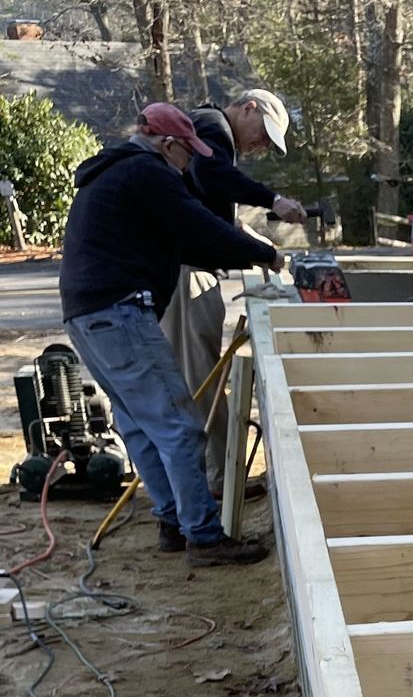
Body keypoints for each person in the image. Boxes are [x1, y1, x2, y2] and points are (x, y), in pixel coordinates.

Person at [61, 103, 282, 564]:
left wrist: (242, 249)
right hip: (119, 312)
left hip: (85, 316)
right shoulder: (148, 172)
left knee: (141, 426)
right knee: (181, 428)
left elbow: (191, 238)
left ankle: (172, 524)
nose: (191, 165)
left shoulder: (115, 173)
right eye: (188, 154)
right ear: (168, 145)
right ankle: (203, 537)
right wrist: (263, 253)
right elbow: (199, 225)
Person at [162, 88, 306, 494]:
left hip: (186, 270)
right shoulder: (212, 129)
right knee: (200, 381)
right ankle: (220, 482)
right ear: (249, 108)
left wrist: (254, 244)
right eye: (264, 134)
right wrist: (272, 200)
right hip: (187, 275)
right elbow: (213, 177)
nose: (261, 146)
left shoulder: (209, 132)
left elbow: (210, 208)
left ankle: (216, 478)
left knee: (197, 377)